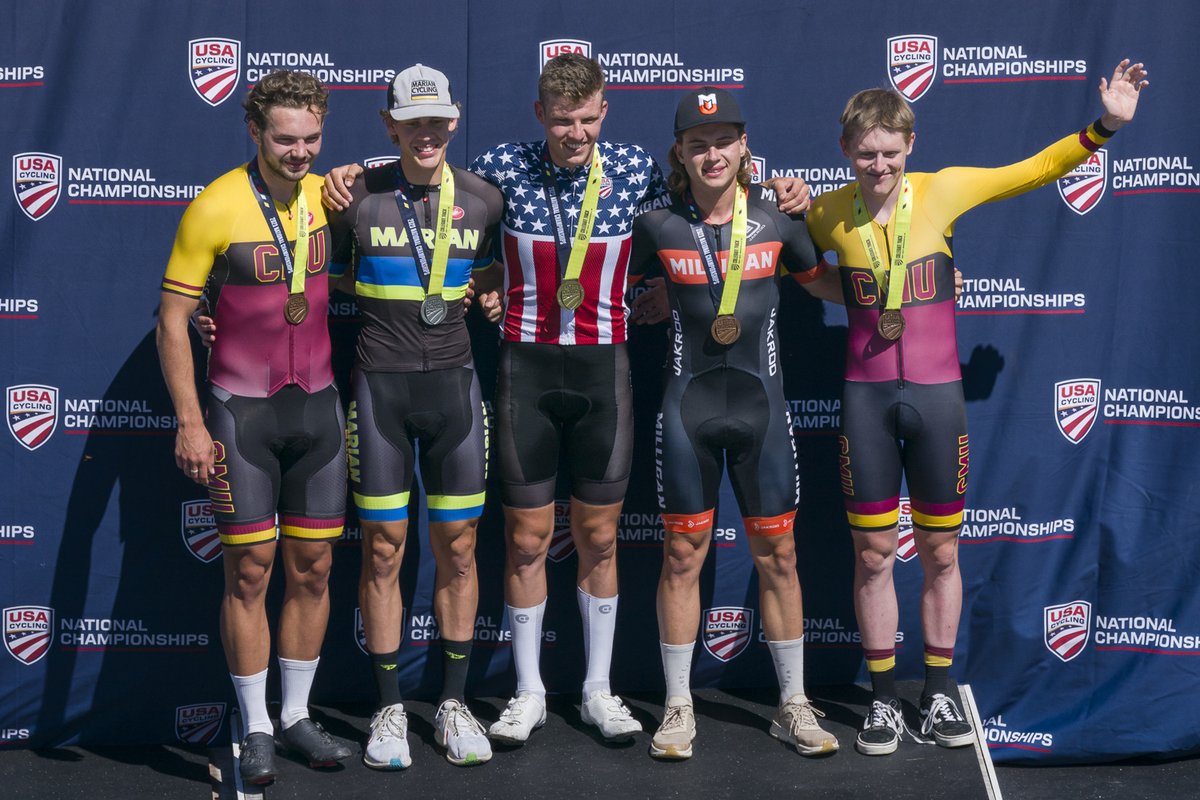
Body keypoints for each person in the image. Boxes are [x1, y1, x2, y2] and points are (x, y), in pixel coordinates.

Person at [324, 52, 811, 746]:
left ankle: (598, 691)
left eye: (586, 119)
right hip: (524, 373)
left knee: (600, 538)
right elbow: (420, 176)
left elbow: (716, 202)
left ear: (604, 113)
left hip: (604, 376)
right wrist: (351, 173)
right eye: (561, 120)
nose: (574, 133)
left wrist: (784, 187)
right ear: (539, 117)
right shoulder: (502, 167)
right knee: (524, 541)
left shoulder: (638, 173)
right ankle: (527, 692)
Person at [804, 59, 1148, 756]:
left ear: (911, 147)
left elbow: (1033, 169)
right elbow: (836, 289)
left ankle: (935, 693)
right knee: (873, 556)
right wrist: (810, 270)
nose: (879, 166)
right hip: (866, 400)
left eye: (891, 154)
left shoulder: (942, 190)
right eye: (866, 154)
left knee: (939, 550)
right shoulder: (823, 210)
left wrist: (1105, 124)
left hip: (936, 398)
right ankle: (881, 701)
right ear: (846, 150)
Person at [628, 88, 843, 760]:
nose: (712, 154)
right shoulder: (656, 225)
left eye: (724, 141)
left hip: (764, 412)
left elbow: (830, 285)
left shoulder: (780, 219)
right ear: (680, 153)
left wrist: (910, 283)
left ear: (744, 146)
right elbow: (617, 292)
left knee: (779, 556)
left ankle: (793, 706)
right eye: (698, 143)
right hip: (687, 407)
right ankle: (677, 708)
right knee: (683, 557)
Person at [156, 70, 352, 785]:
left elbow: (419, 179)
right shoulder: (216, 204)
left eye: (311, 140)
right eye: (284, 140)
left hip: (320, 411)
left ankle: (296, 715)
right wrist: (189, 422)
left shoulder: (333, 195)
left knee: (315, 566)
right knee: (249, 571)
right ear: (254, 132)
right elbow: (174, 319)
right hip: (241, 414)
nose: (299, 153)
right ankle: (255, 727)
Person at [327, 64, 503, 769]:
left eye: (437, 122)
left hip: (456, 391)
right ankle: (390, 709)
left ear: (453, 124)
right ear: (389, 124)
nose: (426, 134)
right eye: (412, 122)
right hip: (381, 394)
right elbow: (326, 271)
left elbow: (491, 273)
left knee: (459, 549)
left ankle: (455, 703)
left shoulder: (485, 200)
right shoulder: (353, 197)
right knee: (383, 550)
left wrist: (480, 296)